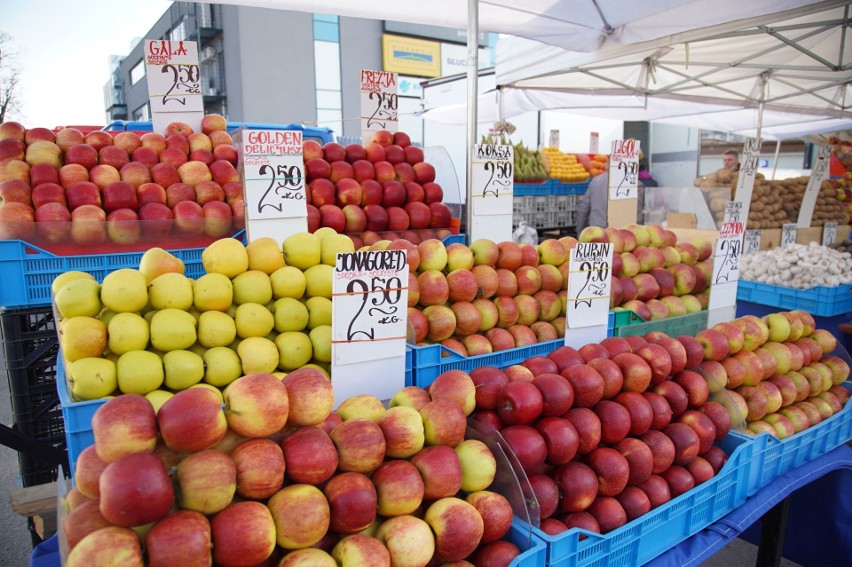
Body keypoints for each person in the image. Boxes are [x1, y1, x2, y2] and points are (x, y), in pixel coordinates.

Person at [575, 170, 646, 233]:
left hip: (597, 231)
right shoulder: (635, 184)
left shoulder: (596, 181)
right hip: (622, 234)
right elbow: (637, 214)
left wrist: (580, 231)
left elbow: (583, 209)